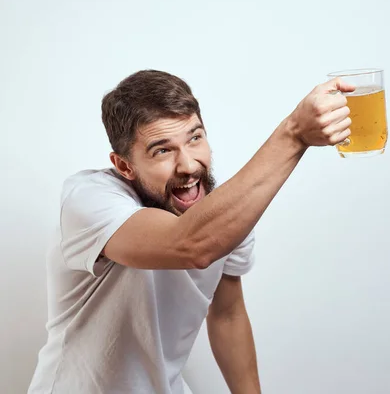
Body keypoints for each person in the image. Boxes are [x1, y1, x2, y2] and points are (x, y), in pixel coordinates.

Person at [27, 69, 354, 394]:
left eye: (195, 138)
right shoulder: (89, 198)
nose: (189, 165)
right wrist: (294, 133)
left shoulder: (224, 214)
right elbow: (190, 244)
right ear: (125, 166)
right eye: (162, 150)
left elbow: (227, 315)